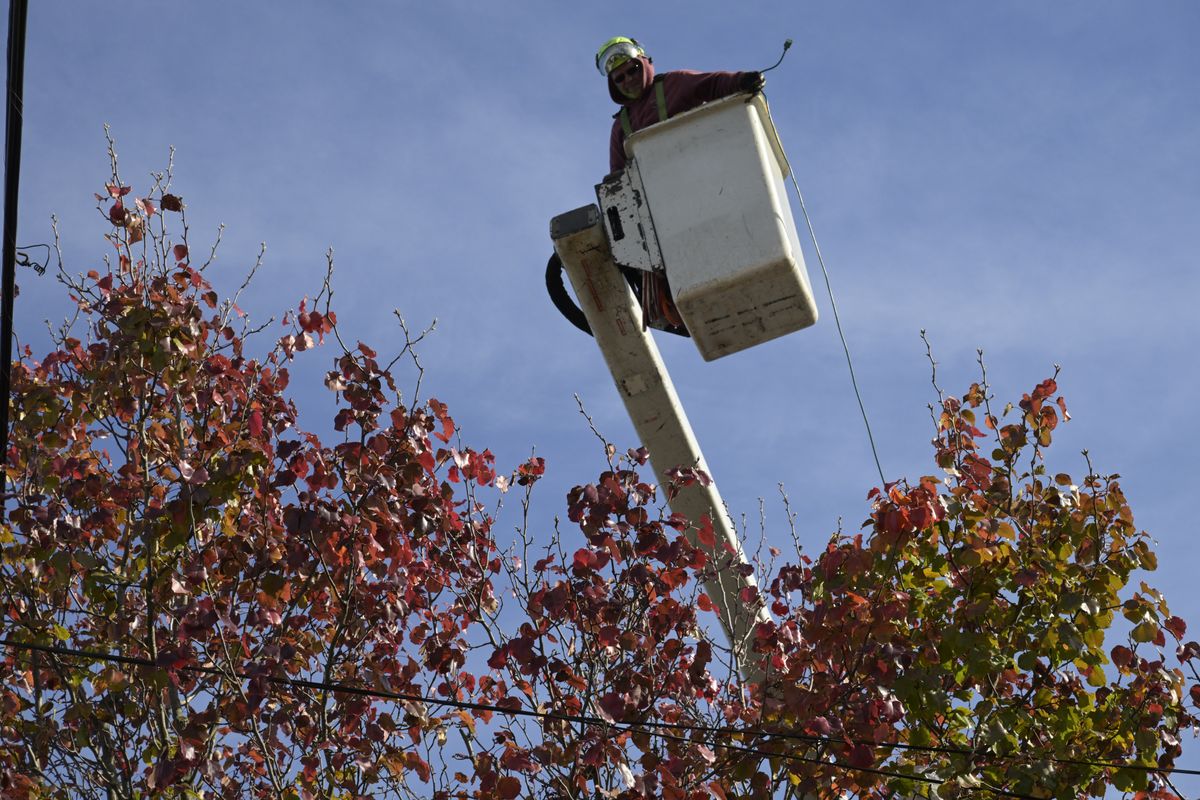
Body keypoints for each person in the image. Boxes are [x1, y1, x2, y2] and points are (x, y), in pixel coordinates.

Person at [597, 36, 765, 173]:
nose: (628, 79)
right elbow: (617, 177)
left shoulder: (675, 83)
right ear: (614, 85)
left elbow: (712, 84)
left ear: (643, 63)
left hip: (705, 168)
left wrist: (743, 80)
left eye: (632, 70)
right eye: (619, 78)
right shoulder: (621, 126)